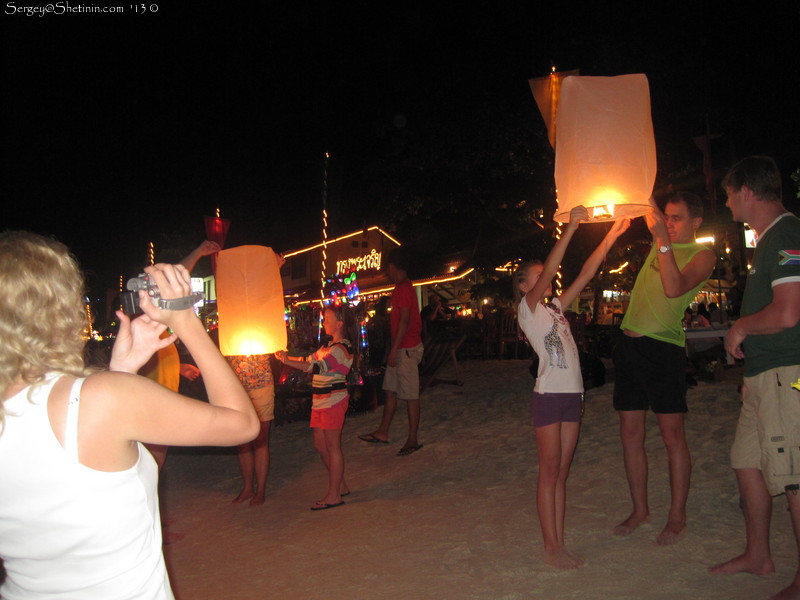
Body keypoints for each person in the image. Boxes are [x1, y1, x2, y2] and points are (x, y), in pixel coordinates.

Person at [0, 231, 259, 599]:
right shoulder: (101, 401)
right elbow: (243, 424)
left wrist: (121, 374)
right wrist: (185, 321)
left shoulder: (97, 399)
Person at [515, 206, 630, 570]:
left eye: (545, 279)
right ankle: (551, 547)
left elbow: (586, 273)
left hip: (572, 396)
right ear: (523, 286)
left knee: (562, 473)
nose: (546, 281)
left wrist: (612, 234)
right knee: (548, 472)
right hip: (548, 397)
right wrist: (572, 227)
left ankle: (558, 542)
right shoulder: (528, 307)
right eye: (537, 278)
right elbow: (552, 268)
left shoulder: (555, 309)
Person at [708, 156, 800, 600]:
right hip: (765, 374)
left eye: (728, 194)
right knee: (748, 462)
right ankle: (758, 555)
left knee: (794, 475)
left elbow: (787, 312)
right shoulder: (766, 240)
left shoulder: (785, 234)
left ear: (746, 191)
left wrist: (742, 327)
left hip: (789, 372)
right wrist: (752, 371)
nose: (726, 203)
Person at [613, 191, 716, 545]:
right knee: (630, 434)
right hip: (629, 345)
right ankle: (640, 510)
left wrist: (662, 241)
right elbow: (645, 199)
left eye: (677, 218)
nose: (669, 223)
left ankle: (677, 517)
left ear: (696, 222)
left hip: (663, 347)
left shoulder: (703, 255)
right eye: (667, 217)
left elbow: (674, 289)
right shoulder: (663, 242)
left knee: (672, 437)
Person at [140, 239, 221, 469]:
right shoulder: (145, 322)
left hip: (163, 398)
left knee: (156, 458)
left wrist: (179, 368)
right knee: (152, 460)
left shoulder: (158, 324)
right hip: (152, 403)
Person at [276, 305, 357, 510]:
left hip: (334, 400)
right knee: (321, 446)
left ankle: (334, 495)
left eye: (328, 318)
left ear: (340, 323)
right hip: (321, 401)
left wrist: (288, 361)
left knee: (332, 447)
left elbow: (316, 367)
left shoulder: (342, 348)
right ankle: (340, 486)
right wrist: (287, 358)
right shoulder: (328, 347)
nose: (324, 322)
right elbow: (309, 360)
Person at [230, 251, 285, 507]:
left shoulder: (263, 315)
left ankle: (260, 489)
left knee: (261, 439)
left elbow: (271, 297)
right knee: (243, 442)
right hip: (238, 386)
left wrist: (274, 270)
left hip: (261, 382)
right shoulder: (232, 315)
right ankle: (247, 487)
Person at [358, 247, 424, 456]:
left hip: (406, 349)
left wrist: (394, 350)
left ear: (394, 266)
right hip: (401, 348)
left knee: (410, 395)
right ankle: (383, 431)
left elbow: (404, 321)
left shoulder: (404, 288)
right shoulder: (402, 287)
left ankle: (412, 438)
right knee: (390, 390)